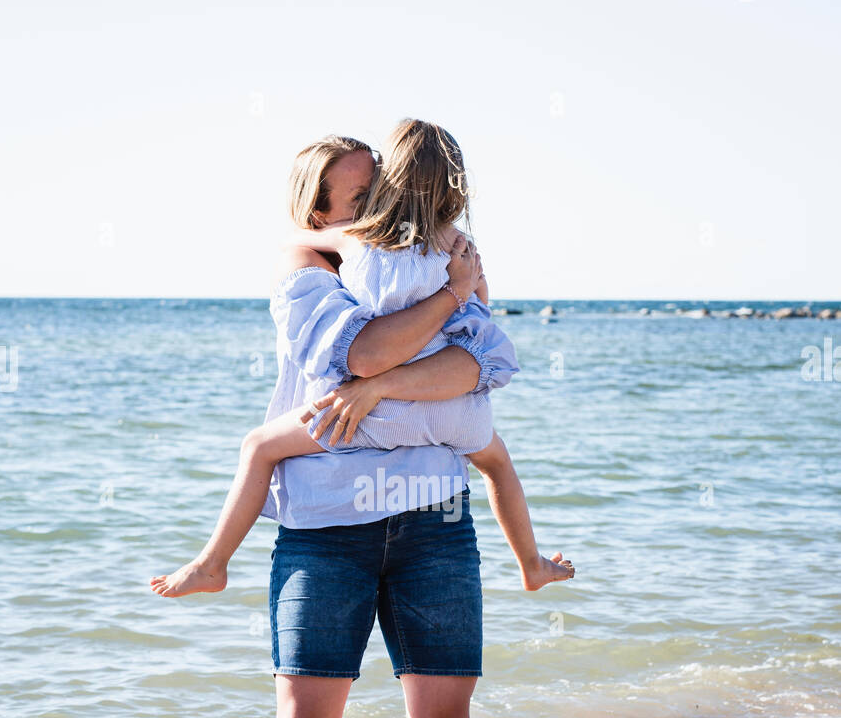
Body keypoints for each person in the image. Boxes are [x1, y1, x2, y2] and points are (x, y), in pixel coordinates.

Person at [150, 119, 574, 598]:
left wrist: (375, 383)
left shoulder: (358, 242)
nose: (373, 208)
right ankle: (531, 564)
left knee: (259, 445)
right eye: (360, 199)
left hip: (375, 414)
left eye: (378, 192)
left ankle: (213, 563)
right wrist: (459, 287)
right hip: (453, 410)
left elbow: (363, 348)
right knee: (496, 460)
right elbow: (481, 319)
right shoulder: (456, 246)